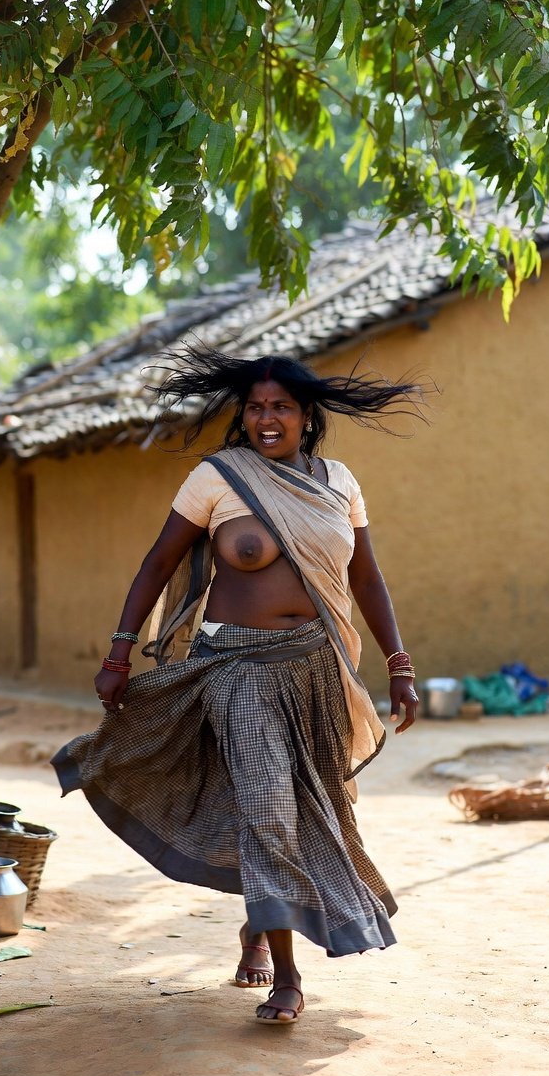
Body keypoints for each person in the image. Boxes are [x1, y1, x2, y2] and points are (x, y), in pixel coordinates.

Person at [52, 350, 423, 1025]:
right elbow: (158, 563)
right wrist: (119, 651)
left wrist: (399, 663)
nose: (266, 418)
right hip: (235, 667)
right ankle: (288, 974)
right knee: (266, 804)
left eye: (281, 406)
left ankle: (258, 924)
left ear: (306, 417)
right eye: (255, 407)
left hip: (318, 666)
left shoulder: (338, 482)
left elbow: (366, 578)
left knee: (318, 805)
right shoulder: (217, 479)